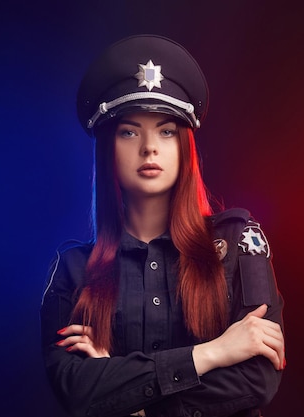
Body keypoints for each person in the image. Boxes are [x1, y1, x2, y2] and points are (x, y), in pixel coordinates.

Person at [40, 34, 285, 417]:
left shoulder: (238, 242)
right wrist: (212, 352)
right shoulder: (73, 271)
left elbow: (256, 379)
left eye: (166, 131)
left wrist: (128, 398)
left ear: (184, 146)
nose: (149, 147)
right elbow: (76, 391)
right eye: (129, 131)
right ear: (108, 147)